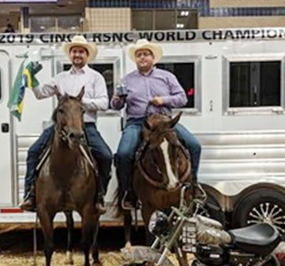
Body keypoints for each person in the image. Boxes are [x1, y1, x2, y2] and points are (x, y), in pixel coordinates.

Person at [20, 35, 113, 214]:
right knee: (33, 151)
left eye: (81, 52)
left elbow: (103, 103)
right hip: (60, 127)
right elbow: (40, 93)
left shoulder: (96, 77)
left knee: (106, 156)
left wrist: (78, 103)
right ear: (70, 55)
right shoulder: (60, 78)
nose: (77, 55)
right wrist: (30, 78)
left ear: (87, 55)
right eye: (74, 51)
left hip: (86, 126)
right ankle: (30, 195)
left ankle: (99, 194)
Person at [111, 39, 202, 209]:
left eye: (146, 54)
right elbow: (115, 106)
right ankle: (128, 192)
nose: (142, 57)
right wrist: (117, 100)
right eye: (139, 55)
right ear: (135, 59)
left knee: (194, 145)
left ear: (153, 58)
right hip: (138, 122)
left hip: (165, 122)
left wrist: (164, 100)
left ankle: (193, 185)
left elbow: (182, 98)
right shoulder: (127, 80)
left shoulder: (167, 77)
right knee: (123, 154)